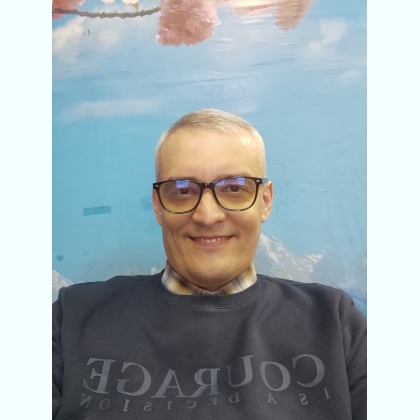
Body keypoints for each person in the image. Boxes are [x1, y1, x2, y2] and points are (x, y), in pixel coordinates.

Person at [52, 109, 366, 419]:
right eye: (182, 190)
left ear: (265, 201)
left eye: (234, 188)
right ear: (158, 206)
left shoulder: (335, 323)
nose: (207, 215)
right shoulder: (71, 319)